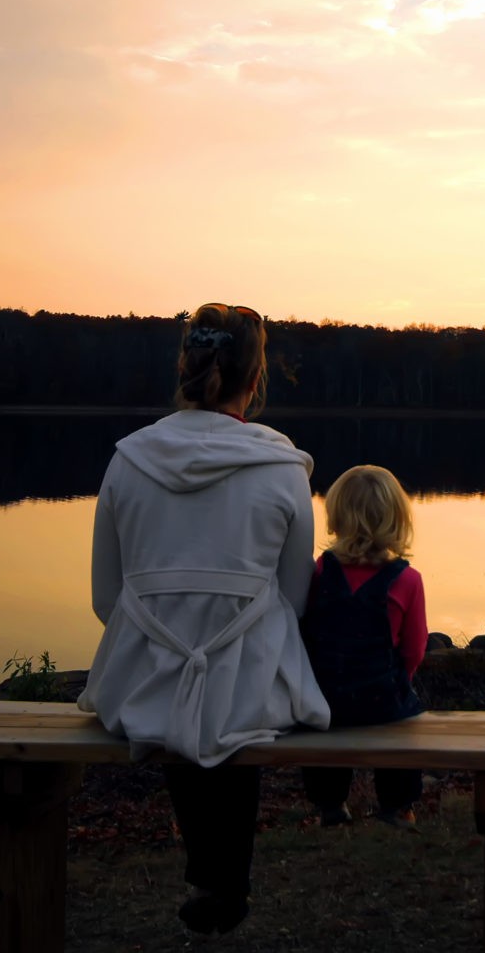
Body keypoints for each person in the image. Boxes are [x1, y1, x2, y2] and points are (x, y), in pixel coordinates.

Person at [78, 303, 329, 935]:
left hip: (142, 681)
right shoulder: (283, 468)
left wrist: (173, 636)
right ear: (256, 376)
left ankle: (216, 879)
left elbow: (106, 599)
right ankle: (223, 880)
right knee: (232, 692)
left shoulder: (126, 461)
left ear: (185, 367)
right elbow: (295, 600)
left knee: (178, 693)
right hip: (250, 685)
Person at [299, 463, 428, 828]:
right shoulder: (407, 580)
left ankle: (329, 802)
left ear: (337, 516)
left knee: (320, 724)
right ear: (397, 519)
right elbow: (415, 649)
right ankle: (397, 804)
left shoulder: (320, 572)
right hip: (379, 696)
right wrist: (399, 680)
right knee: (404, 722)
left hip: (324, 696)